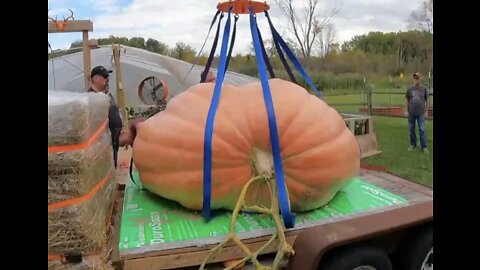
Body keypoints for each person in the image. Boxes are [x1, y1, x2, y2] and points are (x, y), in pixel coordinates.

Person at [87, 65, 123, 167]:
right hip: (102, 141)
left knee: (113, 164)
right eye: (105, 76)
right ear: (95, 78)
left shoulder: (108, 94)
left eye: (108, 76)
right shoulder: (90, 97)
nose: (108, 79)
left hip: (114, 138)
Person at [404, 72, 429, 154]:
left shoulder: (424, 89)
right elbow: (407, 100)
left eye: (417, 78)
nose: (416, 79)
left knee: (422, 129)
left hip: (421, 113)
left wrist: (426, 111)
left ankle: (424, 146)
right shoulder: (410, 89)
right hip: (411, 113)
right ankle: (413, 145)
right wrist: (406, 110)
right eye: (415, 78)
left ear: (420, 79)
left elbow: (427, 100)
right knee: (411, 130)